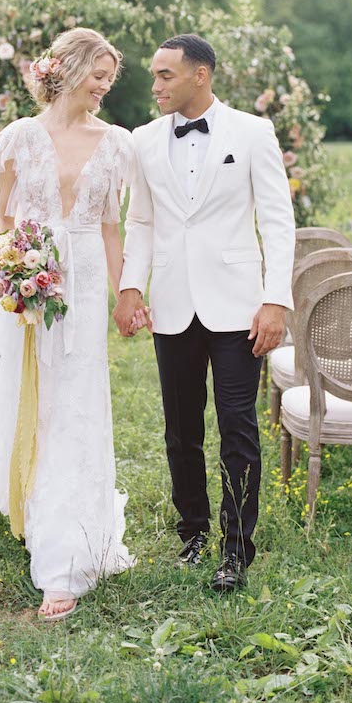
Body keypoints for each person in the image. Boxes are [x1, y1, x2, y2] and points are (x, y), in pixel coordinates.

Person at [114, 34, 294, 592]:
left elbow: (277, 220)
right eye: (153, 75)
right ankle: (192, 533)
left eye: (165, 75)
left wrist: (275, 298)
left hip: (240, 306)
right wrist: (130, 286)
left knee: (238, 430)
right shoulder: (143, 141)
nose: (156, 86)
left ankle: (236, 551)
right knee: (180, 430)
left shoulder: (252, 131)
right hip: (172, 303)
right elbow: (141, 221)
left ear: (201, 75)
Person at [0, 27, 135, 620]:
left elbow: (111, 227)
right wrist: (1, 272)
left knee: (76, 402)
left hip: (88, 284)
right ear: (67, 70)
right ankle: (39, 512)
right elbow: (2, 220)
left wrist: (126, 292)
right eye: (98, 75)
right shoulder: (19, 137)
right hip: (32, 284)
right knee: (35, 402)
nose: (104, 88)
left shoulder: (116, 142)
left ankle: (67, 557)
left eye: (108, 79)